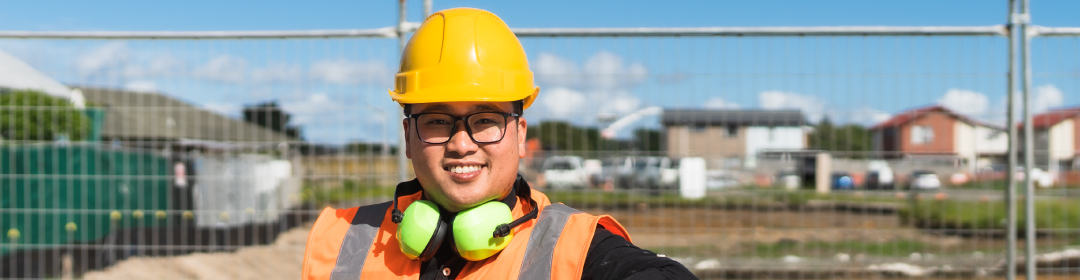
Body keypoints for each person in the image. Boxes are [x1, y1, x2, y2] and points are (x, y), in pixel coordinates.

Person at [301, 7, 696, 280]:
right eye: (437, 121)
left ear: (520, 135)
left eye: (485, 120)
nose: (461, 143)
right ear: (407, 137)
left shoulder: (573, 247)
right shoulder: (340, 240)